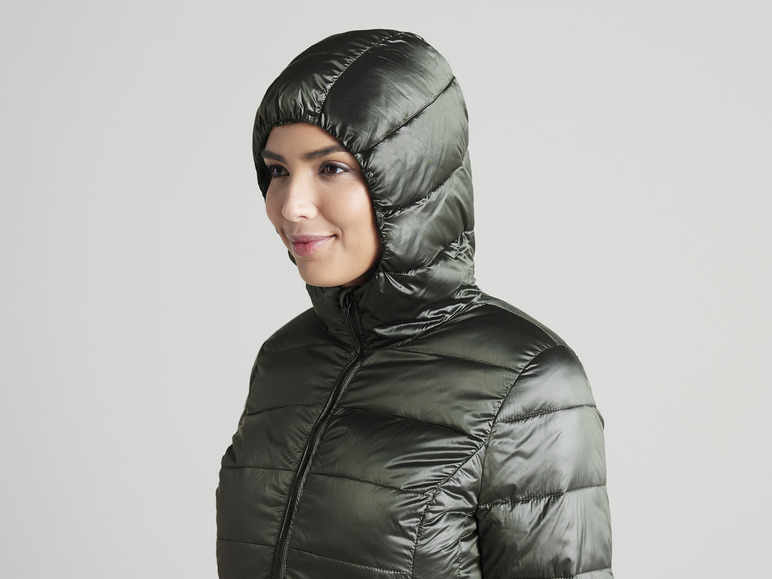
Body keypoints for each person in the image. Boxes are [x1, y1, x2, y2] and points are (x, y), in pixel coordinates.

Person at [216, 29, 613, 579]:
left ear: (409, 181)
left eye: (330, 168)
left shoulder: (529, 383)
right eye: (278, 171)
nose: (291, 206)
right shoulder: (284, 359)